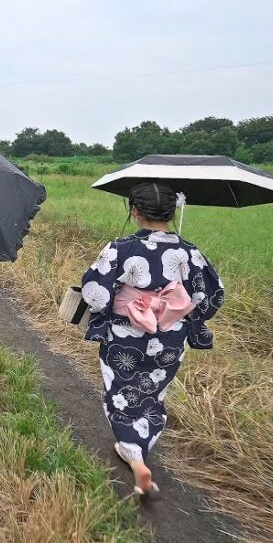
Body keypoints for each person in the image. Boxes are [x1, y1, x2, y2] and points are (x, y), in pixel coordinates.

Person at [78, 182, 224, 496]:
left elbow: (95, 293)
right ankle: (139, 447)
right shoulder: (189, 252)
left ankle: (135, 457)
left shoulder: (121, 248)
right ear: (173, 211)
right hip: (170, 336)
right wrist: (174, 309)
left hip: (124, 335)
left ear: (134, 211)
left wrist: (117, 301)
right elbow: (211, 296)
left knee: (120, 391)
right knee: (153, 393)